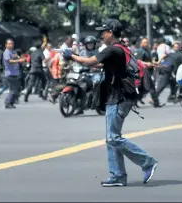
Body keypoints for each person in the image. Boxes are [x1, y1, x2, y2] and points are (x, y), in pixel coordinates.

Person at [62, 19, 158, 187]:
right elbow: (98, 65)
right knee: (111, 138)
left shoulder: (113, 49)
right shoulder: (120, 49)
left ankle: (147, 162)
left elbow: (91, 61)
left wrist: (72, 56)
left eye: (103, 32)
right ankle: (118, 176)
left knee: (113, 137)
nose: (101, 35)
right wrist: (75, 59)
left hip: (119, 98)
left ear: (111, 32)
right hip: (118, 97)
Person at [135, 38, 164, 108]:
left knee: (143, 88)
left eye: (147, 42)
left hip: (147, 71)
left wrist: (154, 63)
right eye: (144, 42)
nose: (146, 44)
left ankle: (134, 101)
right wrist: (146, 63)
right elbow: (137, 61)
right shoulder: (140, 51)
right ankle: (156, 103)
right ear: (141, 43)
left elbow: (149, 61)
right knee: (151, 87)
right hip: (143, 71)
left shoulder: (147, 51)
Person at [3, 39, 26, 109]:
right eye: (9, 44)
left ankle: (11, 102)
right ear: (6, 45)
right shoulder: (6, 52)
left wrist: (20, 58)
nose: (10, 45)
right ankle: (8, 103)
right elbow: (9, 61)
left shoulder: (13, 52)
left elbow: (18, 58)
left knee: (16, 89)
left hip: (15, 73)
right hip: (10, 73)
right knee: (13, 90)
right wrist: (19, 60)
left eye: (12, 44)